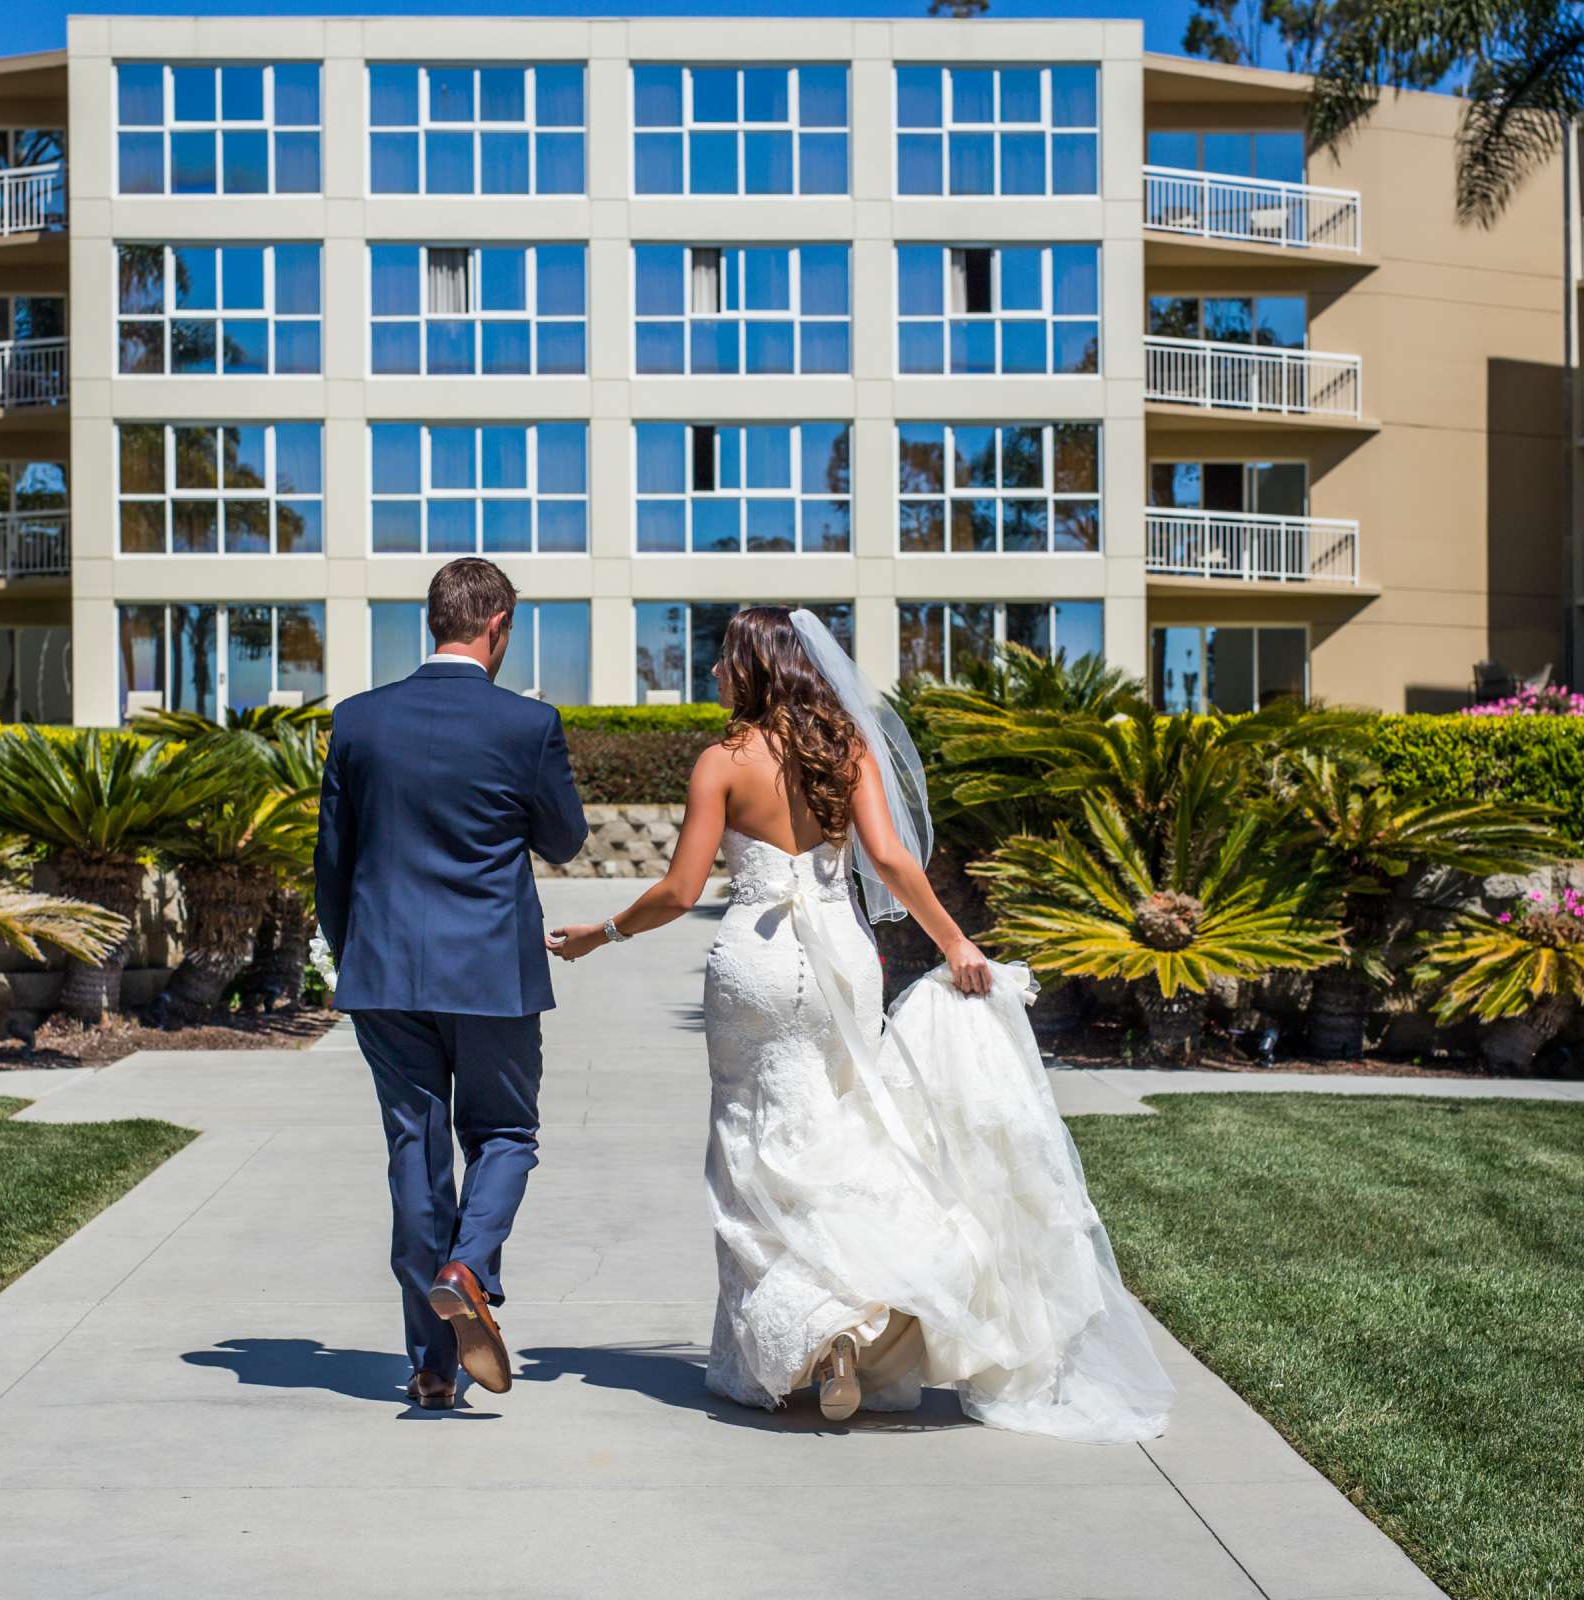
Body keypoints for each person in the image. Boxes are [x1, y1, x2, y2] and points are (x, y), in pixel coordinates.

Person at [548, 607, 1173, 1442]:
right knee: (841, 1129)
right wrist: (954, 942)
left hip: (756, 963)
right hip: (843, 957)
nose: (713, 677)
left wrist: (604, 932)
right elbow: (891, 859)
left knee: (753, 1139)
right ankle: (852, 1322)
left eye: (722, 663)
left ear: (754, 668)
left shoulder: (721, 761)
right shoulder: (844, 749)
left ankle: (815, 1328)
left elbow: (680, 889)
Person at [314, 557, 589, 1412]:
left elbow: (333, 862)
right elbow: (566, 840)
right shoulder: (527, 724)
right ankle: (469, 1268)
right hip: (493, 974)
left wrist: (352, 952)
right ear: (498, 624)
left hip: (384, 970)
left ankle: (433, 1368)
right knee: (505, 1132)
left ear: (431, 622)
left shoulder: (357, 722)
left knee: (416, 1152)